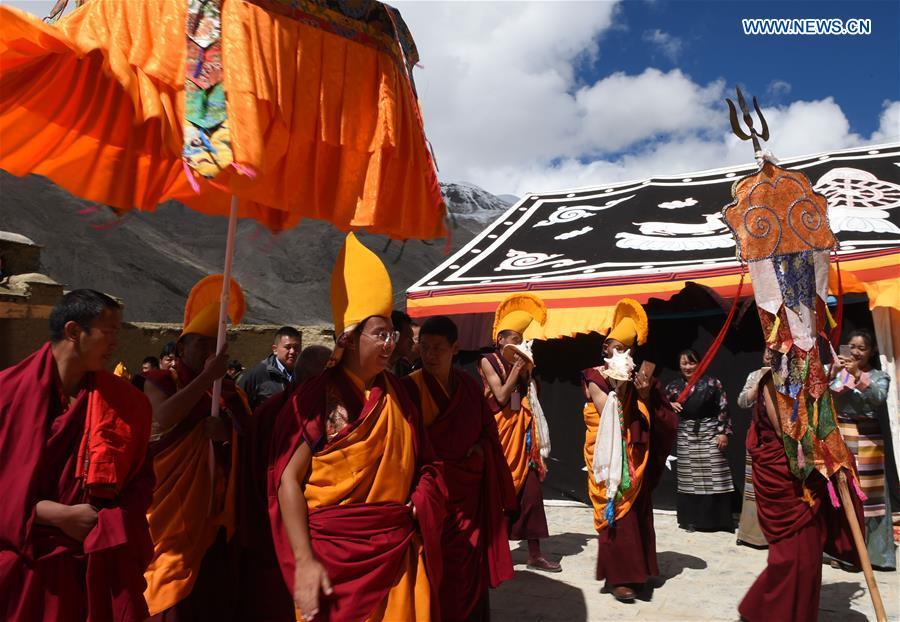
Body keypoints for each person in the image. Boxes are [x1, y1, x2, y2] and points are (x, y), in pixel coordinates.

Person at [269, 233, 447, 622]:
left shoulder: (401, 395)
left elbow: (428, 464)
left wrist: (421, 499)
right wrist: (304, 561)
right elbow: (287, 481)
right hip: (332, 555)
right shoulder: (314, 399)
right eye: (380, 334)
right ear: (350, 340)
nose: (390, 344)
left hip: (394, 549)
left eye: (392, 335)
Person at [0, 289, 155, 621]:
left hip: (96, 564)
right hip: (23, 565)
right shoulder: (6, 394)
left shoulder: (127, 404)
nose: (115, 342)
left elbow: (141, 481)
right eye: (108, 331)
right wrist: (57, 515)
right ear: (73, 331)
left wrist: (107, 524)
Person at [142, 275, 252, 620]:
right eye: (200, 345)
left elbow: (250, 442)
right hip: (169, 512)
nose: (208, 352)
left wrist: (227, 433)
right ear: (179, 350)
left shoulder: (232, 393)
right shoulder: (160, 382)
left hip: (214, 512)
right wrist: (206, 379)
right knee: (165, 585)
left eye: (214, 346)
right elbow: (160, 420)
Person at [402, 315, 517, 620]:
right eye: (423, 347)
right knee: (438, 573)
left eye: (438, 348)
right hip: (434, 499)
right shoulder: (408, 389)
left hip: (469, 497)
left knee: (471, 564)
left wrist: (480, 451)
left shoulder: (467, 385)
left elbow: (487, 432)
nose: (429, 355)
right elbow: (403, 449)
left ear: (455, 348)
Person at [738, 362, 863, 622]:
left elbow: (818, 415)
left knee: (808, 556)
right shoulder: (773, 381)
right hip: (788, 480)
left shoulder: (808, 378)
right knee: (792, 558)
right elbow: (788, 433)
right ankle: (764, 611)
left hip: (808, 481)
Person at [582, 299, 677, 602]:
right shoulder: (593, 376)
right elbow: (609, 414)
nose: (617, 353)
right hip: (608, 452)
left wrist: (646, 393)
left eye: (624, 349)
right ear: (604, 348)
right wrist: (620, 387)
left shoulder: (642, 377)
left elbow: (654, 418)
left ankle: (639, 570)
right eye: (612, 347)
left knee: (636, 511)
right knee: (615, 509)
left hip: (635, 453)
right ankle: (618, 577)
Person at [479, 293, 560, 572]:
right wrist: (516, 369)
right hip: (499, 438)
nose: (516, 344)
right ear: (500, 339)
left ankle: (534, 554)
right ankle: (494, 553)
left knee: (532, 494)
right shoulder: (488, 360)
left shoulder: (523, 366)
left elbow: (518, 400)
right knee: (501, 496)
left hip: (521, 439)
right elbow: (501, 396)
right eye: (512, 339)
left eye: (520, 339)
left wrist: (525, 374)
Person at [829, 329, 896, 570]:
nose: (856, 352)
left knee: (869, 496)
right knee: (841, 490)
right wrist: (834, 372)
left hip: (868, 437)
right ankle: (842, 549)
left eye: (862, 348)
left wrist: (857, 375)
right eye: (852, 346)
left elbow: (878, 398)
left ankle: (872, 554)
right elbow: (821, 395)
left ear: (871, 351)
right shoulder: (837, 371)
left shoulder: (878, 376)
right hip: (841, 435)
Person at [665, 349, 735, 532]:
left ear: (699, 363)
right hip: (686, 434)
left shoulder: (712, 383)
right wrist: (669, 404)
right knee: (690, 478)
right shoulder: (673, 387)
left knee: (716, 474)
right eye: (684, 363)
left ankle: (717, 521)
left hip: (710, 431)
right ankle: (691, 520)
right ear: (679, 365)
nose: (688, 367)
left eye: (691, 362)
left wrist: (723, 432)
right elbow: (659, 404)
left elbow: (723, 407)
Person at [735, 351, 774, 549]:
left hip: (778, 436)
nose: (769, 355)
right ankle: (750, 534)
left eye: (774, 352)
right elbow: (742, 401)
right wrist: (759, 385)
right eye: (767, 351)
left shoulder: (787, 374)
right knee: (753, 486)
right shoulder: (754, 375)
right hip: (757, 435)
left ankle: (773, 534)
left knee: (774, 486)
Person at [239, 326, 302, 411]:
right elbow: (240, 406)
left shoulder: (305, 374)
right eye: (288, 347)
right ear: (275, 349)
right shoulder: (258, 374)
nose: (293, 352)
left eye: (296, 347)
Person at [390, 310, 417, 376]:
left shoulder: (405, 369)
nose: (412, 343)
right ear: (394, 336)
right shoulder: (373, 370)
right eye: (408, 337)